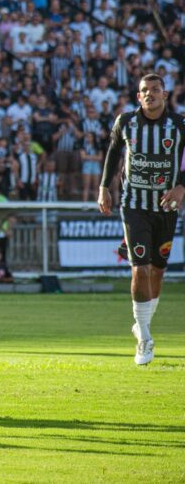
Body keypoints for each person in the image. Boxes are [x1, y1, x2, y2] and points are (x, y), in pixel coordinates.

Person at [98, 73, 185, 366]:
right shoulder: (126, 123)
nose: (150, 94)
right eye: (144, 90)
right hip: (133, 205)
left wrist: (182, 185)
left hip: (167, 208)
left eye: (155, 90)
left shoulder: (179, 124)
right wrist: (103, 187)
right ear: (138, 96)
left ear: (164, 94)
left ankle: (142, 323)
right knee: (141, 268)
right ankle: (144, 337)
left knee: (158, 271)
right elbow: (112, 153)